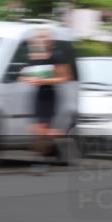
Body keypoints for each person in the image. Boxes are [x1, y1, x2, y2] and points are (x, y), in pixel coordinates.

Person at [19, 28, 73, 174]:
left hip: (50, 95)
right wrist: (27, 78)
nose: (42, 39)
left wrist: (43, 80)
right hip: (37, 95)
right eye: (39, 37)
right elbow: (22, 75)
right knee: (35, 130)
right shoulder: (35, 57)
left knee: (41, 130)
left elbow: (64, 78)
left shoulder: (57, 56)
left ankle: (40, 161)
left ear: (51, 41)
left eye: (45, 37)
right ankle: (60, 138)